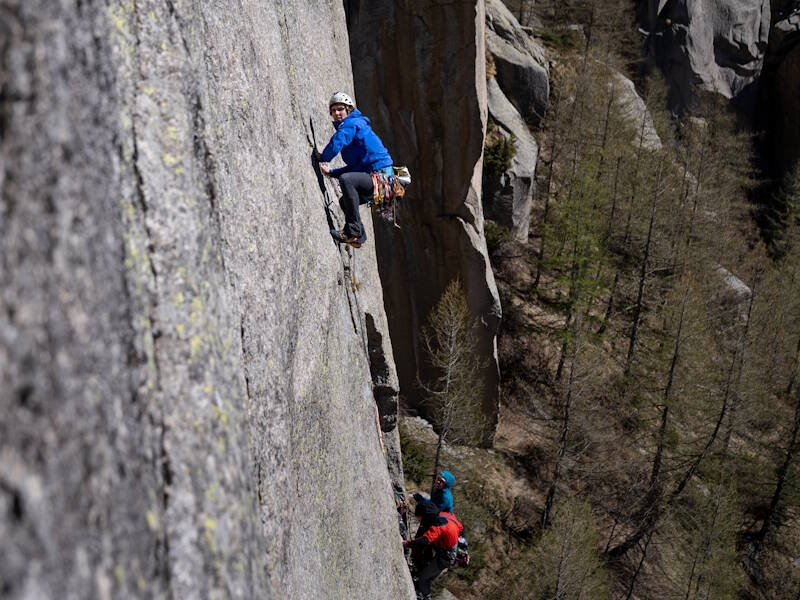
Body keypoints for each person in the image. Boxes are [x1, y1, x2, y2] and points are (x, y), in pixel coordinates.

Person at [317, 91, 394, 248]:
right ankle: (358, 237)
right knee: (344, 201)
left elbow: (338, 141)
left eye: (340, 109)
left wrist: (323, 157)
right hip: (378, 179)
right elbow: (355, 167)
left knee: (347, 180)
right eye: (333, 110)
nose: (337, 113)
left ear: (349, 110)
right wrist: (332, 173)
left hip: (381, 177)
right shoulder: (356, 129)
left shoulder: (352, 123)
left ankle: (354, 231)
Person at [404, 498, 463, 600]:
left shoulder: (438, 527)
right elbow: (461, 528)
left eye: (420, 518)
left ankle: (426, 596)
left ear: (426, 517)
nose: (419, 520)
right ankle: (423, 570)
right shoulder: (445, 515)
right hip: (449, 547)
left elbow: (425, 540)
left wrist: (407, 543)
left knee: (424, 577)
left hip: (445, 557)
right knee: (427, 564)